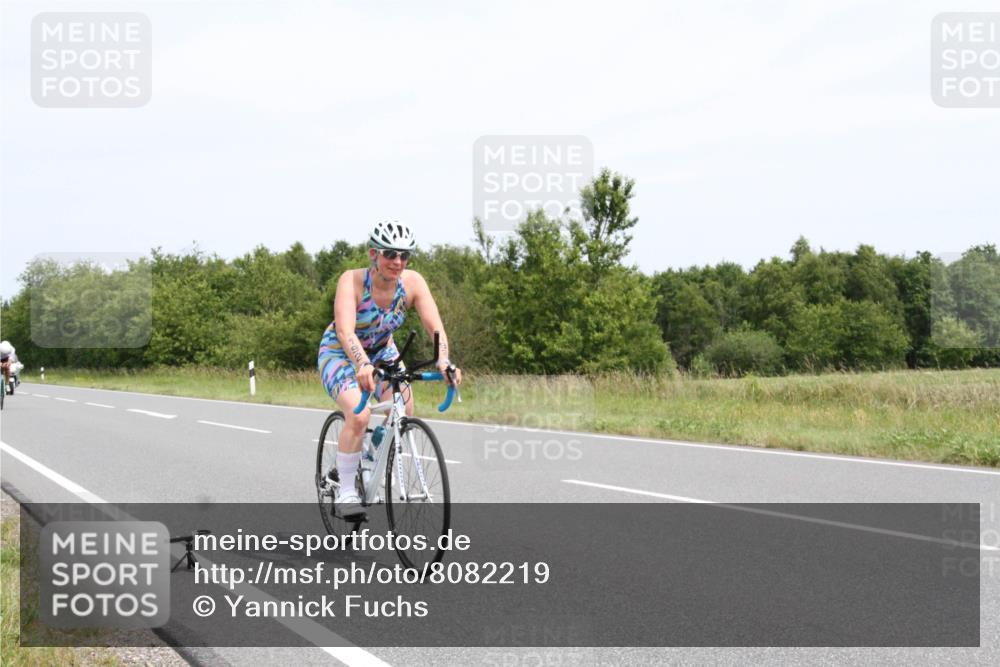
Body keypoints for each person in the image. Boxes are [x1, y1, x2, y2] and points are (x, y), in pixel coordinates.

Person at [317, 221, 462, 516]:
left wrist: (444, 360)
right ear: (374, 254)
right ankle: (346, 491)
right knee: (359, 415)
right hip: (341, 352)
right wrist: (362, 364)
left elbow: (435, 328)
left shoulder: (413, 283)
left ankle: (372, 453)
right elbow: (345, 331)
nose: (398, 261)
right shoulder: (352, 281)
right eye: (390, 254)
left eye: (404, 255)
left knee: (404, 408)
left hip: (383, 351)